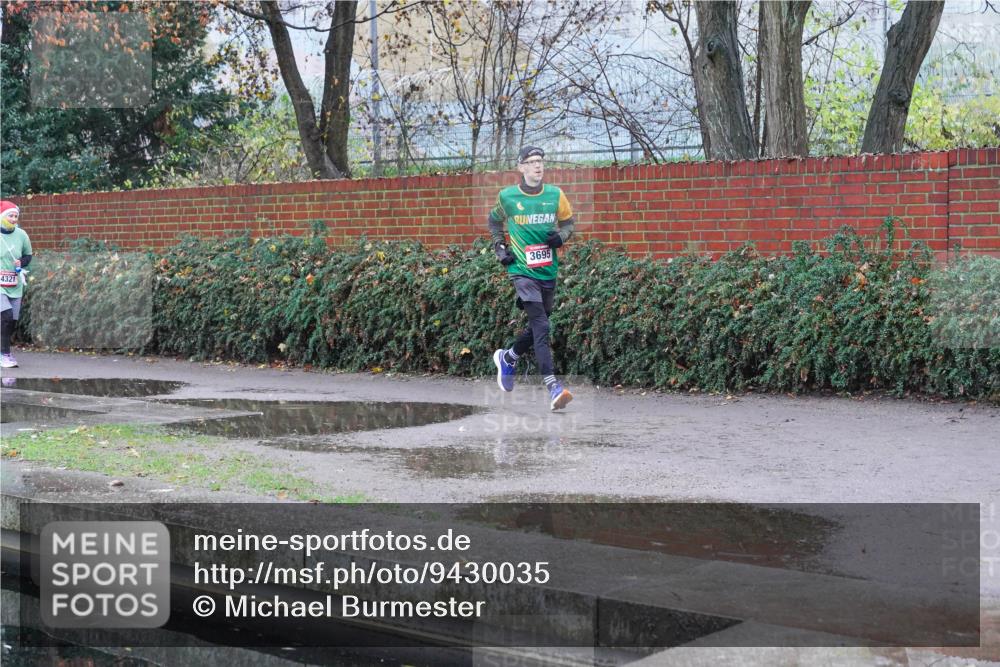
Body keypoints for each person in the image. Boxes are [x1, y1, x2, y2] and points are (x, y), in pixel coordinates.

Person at [489, 146, 575, 411]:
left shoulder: (556, 195)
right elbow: (494, 222)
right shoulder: (507, 196)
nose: (538, 166)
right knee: (541, 324)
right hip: (521, 270)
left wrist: (561, 238)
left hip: (547, 270)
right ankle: (553, 386)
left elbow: (568, 224)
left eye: (540, 161)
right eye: (532, 162)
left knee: (541, 322)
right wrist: (499, 247)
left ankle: (509, 357)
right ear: (521, 167)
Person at [1, 201, 32, 369]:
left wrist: (21, 262)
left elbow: (28, 255)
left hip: (15, 284)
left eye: (15, 216)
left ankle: (2, 350)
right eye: (10, 216)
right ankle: (5, 355)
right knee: (5, 316)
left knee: (11, 321)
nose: (13, 219)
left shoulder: (21, 235)